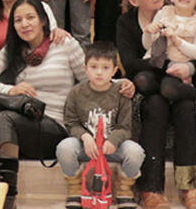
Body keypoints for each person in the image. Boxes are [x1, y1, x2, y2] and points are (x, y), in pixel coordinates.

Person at [0, 0, 90, 207]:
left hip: (54, 126)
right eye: (18, 20)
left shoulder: (64, 43)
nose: (24, 24)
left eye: (30, 17)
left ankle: (7, 198)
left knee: (4, 118)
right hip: (19, 127)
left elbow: (89, 82)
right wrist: (11, 90)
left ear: (43, 20)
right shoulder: (13, 50)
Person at [115, 0, 196, 208]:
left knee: (185, 105)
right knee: (154, 101)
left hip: (180, 87)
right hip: (148, 89)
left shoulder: (180, 10)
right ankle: (151, 188)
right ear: (135, 1)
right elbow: (130, 64)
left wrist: (187, 68)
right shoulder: (126, 23)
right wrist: (167, 66)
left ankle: (191, 187)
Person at [56, 41, 144, 209]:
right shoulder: (76, 92)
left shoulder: (121, 93)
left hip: (112, 148)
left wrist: (113, 140)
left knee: (135, 151)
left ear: (114, 70)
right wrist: (84, 136)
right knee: (64, 148)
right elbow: (71, 122)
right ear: (85, 68)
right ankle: (75, 186)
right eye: (94, 66)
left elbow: (125, 127)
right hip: (87, 147)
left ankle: (124, 187)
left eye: (105, 68)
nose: (99, 72)